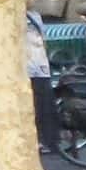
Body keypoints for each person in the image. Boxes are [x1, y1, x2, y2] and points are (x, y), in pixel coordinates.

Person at [26, 9, 59, 154]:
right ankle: (49, 140)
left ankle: (42, 140)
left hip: (30, 67)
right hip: (41, 67)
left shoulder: (20, 18)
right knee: (44, 106)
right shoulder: (35, 16)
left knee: (36, 107)